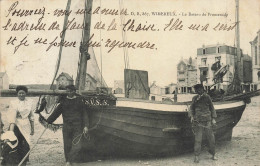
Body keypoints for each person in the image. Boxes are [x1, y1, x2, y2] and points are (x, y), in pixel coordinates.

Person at [46, 85, 89, 166]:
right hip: (67, 126)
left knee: (78, 145)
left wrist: (86, 126)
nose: (69, 93)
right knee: (67, 144)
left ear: (74, 91)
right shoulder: (63, 102)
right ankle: (68, 161)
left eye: (70, 91)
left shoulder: (79, 101)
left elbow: (84, 114)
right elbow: (56, 113)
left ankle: (70, 160)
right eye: (67, 91)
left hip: (78, 126)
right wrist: (48, 121)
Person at [190, 84, 217, 163]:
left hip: (207, 121)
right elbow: (191, 108)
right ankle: (196, 156)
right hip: (198, 121)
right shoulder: (194, 98)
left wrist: (213, 119)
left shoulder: (207, 97)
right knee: (198, 139)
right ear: (196, 91)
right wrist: (191, 116)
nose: (199, 91)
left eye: (200, 89)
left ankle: (213, 154)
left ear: (203, 89)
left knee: (211, 139)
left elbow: (212, 108)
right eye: (197, 90)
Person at [7, 85, 35, 165]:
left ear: (25, 93)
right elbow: (12, 118)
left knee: (26, 142)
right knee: (14, 142)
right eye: (20, 93)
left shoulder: (29, 102)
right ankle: (15, 161)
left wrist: (33, 129)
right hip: (16, 125)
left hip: (26, 125)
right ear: (17, 94)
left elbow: (31, 117)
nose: (21, 95)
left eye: (23, 93)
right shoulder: (13, 103)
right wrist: (11, 132)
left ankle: (25, 160)